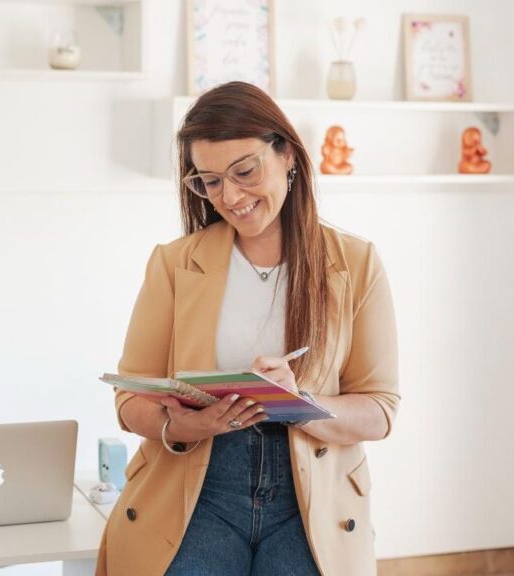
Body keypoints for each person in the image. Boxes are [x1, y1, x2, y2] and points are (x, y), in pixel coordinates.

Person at [94, 81, 400, 576]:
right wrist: (180, 425)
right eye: (210, 181)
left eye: (244, 171)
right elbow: (130, 401)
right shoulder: (175, 264)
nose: (231, 196)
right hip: (195, 488)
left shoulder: (355, 264)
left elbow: (380, 411)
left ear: (287, 155)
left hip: (309, 503)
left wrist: (299, 405)